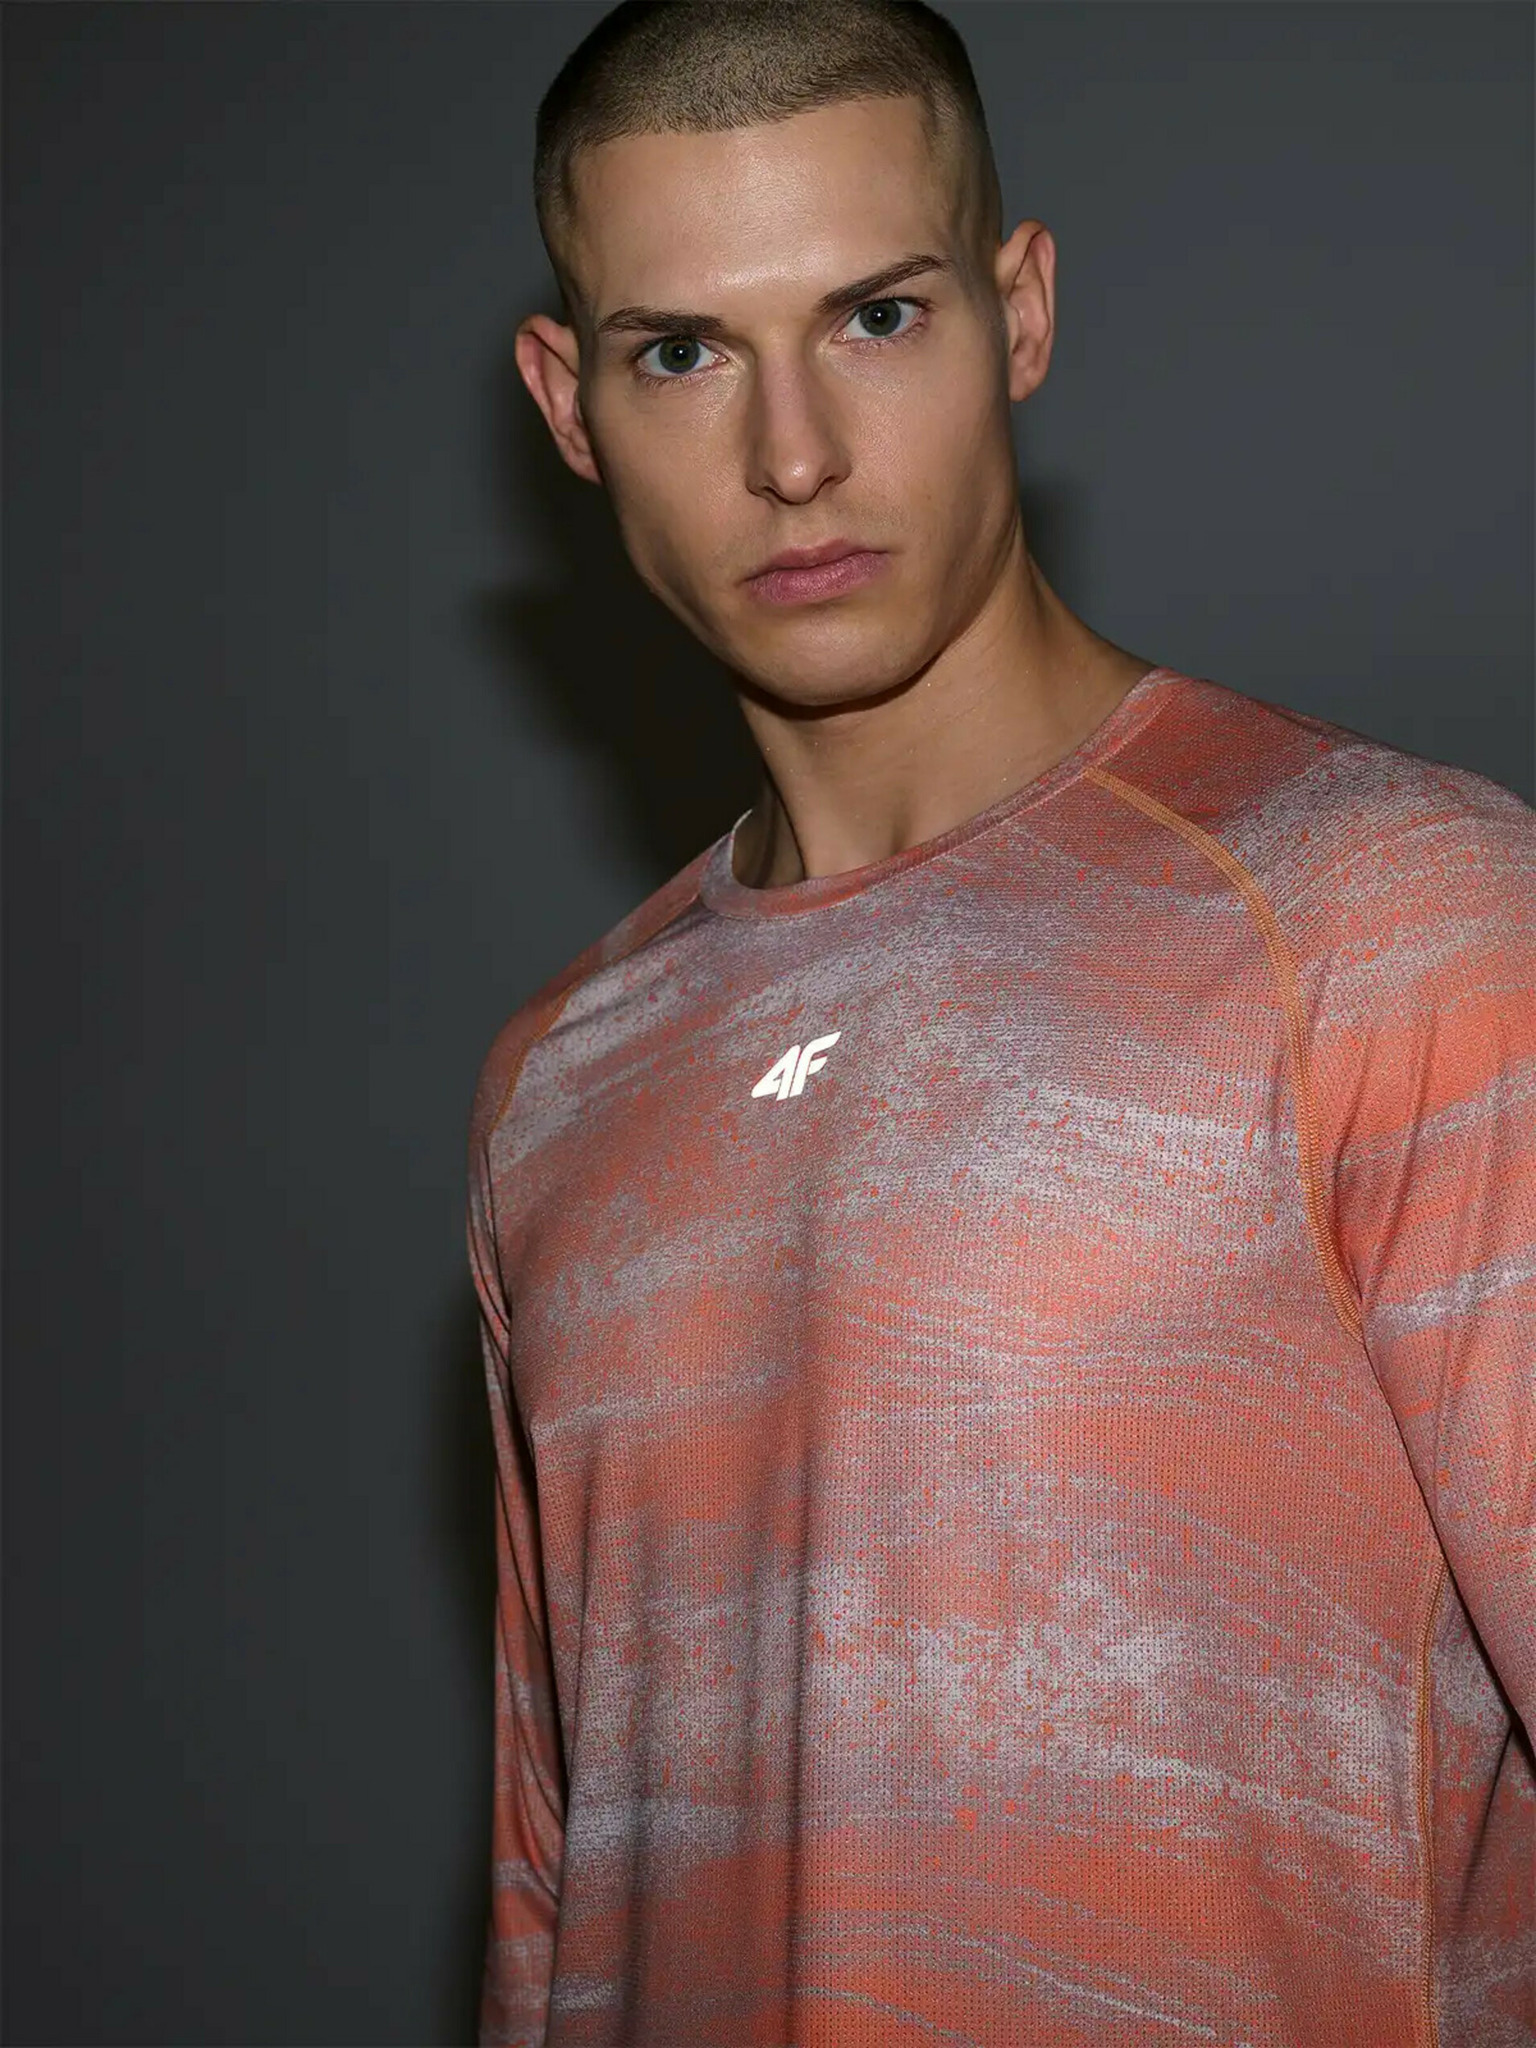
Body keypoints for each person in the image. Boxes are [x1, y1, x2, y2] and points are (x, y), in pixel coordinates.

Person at [466, 3, 1535, 2042]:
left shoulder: (1394, 919)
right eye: (681, 352)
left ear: (1020, 313)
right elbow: (551, 1889)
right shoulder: (556, 1084)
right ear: (567, 401)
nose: (793, 455)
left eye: (877, 317)